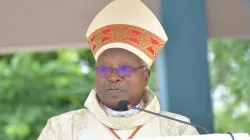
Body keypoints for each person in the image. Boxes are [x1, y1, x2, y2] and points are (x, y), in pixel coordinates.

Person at [38, 0, 199, 139]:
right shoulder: (63, 130)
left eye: (125, 69)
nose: (113, 77)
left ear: (145, 77)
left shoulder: (178, 130)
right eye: (104, 69)